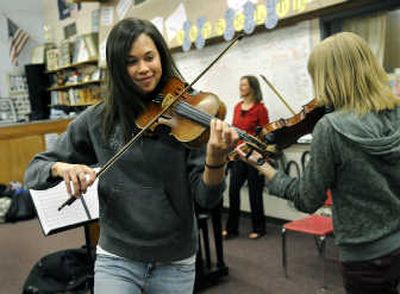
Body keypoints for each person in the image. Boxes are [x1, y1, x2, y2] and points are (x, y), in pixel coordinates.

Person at [24, 18, 238, 294]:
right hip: (117, 259)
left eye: (150, 57)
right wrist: (62, 169)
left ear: (161, 55)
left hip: (175, 261)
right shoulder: (99, 119)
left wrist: (216, 159)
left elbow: (207, 199)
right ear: (117, 68)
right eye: (131, 62)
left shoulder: (188, 114)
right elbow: (34, 171)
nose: (144, 69)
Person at [237, 32, 400, 294]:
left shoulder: (330, 128)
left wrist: (267, 170)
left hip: (364, 256)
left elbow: (307, 198)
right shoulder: (396, 111)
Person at [223, 75, 269, 240]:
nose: (240, 87)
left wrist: (264, 159)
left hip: (254, 156)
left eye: (244, 85)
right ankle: (231, 229)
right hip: (238, 155)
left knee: (255, 193)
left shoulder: (260, 109)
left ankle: (259, 228)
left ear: (252, 88)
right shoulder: (237, 107)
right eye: (240, 84)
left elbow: (266, 135)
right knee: (233, 191)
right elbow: (235, 130)